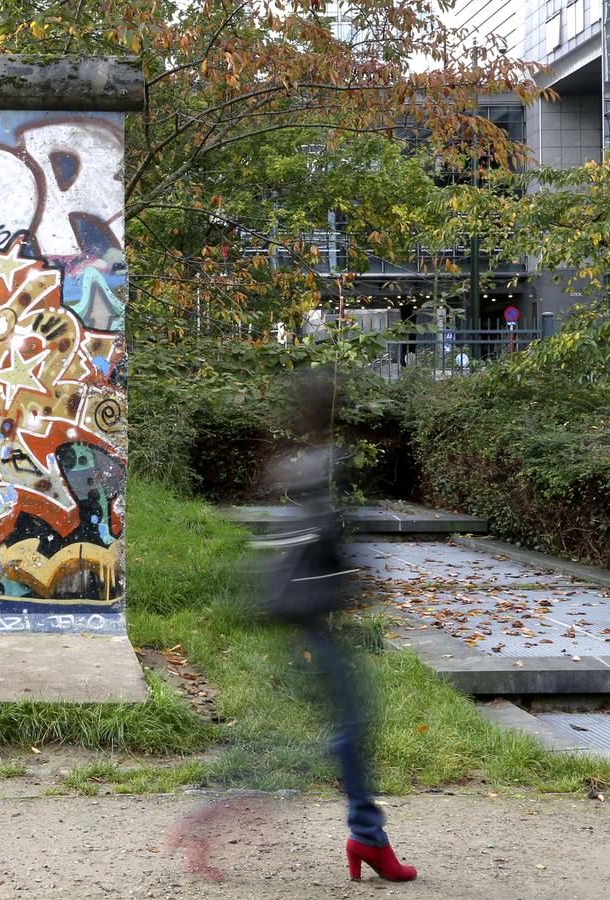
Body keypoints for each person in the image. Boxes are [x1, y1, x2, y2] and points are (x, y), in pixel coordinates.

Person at [166, 370, 417, 884]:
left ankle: (366, 836)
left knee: (341, 729)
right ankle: (215, 817)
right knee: (335, 734)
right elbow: (329, 543)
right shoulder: (326, 466)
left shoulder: (297, 464)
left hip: (301, 616)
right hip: (312, 620)